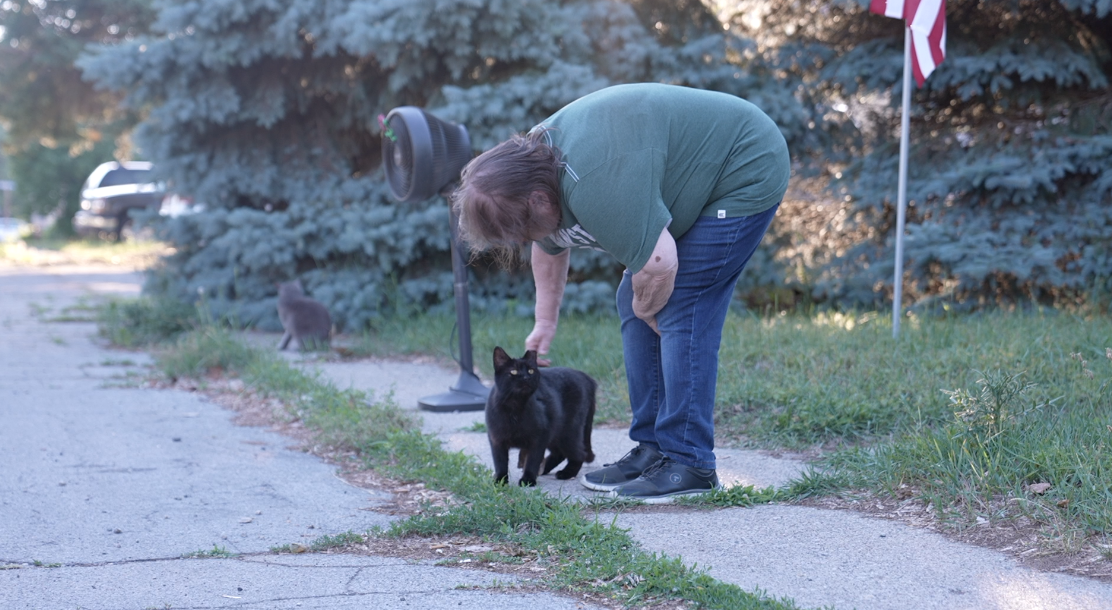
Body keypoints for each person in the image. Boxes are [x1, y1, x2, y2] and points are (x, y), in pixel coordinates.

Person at [453, 83, 790, 503]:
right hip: (690, 176)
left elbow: (660, 264)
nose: (523, 241)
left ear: (538, 200)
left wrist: (648, 309)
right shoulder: (530, 179)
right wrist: (545, 321)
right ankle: (653, 449)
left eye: (521, 230)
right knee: (634, 302)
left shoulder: (593, 183)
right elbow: (549, 245)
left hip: (743, 163)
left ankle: (690, 463)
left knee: (680, 306)